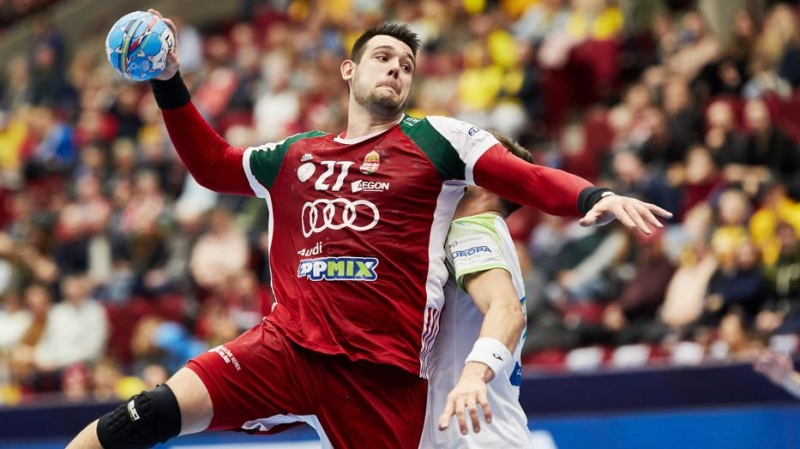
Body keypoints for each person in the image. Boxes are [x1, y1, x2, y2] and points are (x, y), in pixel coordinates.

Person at [68, 12, 671, 449]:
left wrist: (594, 195)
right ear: (349, 68)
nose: (397, 69)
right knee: (151, 412)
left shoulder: (440, 142)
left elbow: (524, 175)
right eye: (384, 57)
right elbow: (211, 165)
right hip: (288, 346)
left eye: (407, 66)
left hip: (381, 377)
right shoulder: (295, 155)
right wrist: (169, 79)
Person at [422, 133, 533, 448]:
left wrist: (474, 373)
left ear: (487, 181)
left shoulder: (470, 230)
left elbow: (507, 311)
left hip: (473, 437)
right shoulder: (490, 232)